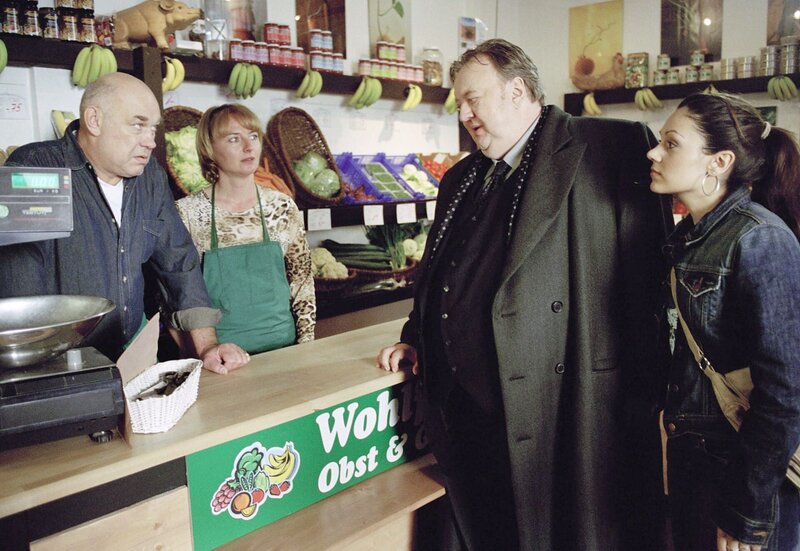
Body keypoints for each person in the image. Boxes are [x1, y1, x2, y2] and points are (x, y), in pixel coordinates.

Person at [376, 39, 673, 550]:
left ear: (517, 91)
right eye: (459, 104)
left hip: (564, 405)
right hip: (472, 414)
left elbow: (648, 284)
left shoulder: (609, 147)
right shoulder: (461, 177)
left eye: (474, 99)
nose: (464, 114)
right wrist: (415, 337)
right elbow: (441, 274)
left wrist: (642, 396)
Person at [0, 73, 249, 374]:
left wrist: (207, 346)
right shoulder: (37, 169)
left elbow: (178, 262)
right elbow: (20, 294)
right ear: (94, 120)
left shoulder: (150, 177)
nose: (150, 141)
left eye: (153, 128)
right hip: (58, 370)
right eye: (137, 125)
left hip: (131, 360)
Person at [649, 92, 800, 551]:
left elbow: (787, 390)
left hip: (745, 476)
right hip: (699, 461)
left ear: (719, 162)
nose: (654, 153)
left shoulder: (760, 239)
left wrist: (749, 509)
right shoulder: (690, 236)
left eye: (671, 144)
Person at [175, 104, 315, 353]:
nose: (249, 147)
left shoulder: (281, 207)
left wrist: (305, 348)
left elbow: (302, 284)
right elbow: (175, 297)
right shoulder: (187, 213)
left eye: (253, 136)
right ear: (209, 149)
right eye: (233, 139)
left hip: (284, 350)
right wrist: (200, 355)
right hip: (221, 357)